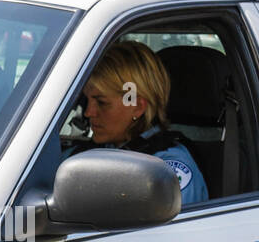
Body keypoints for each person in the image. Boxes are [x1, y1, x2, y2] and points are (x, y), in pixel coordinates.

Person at [71, 40, 208, 205]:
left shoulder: (165, 173)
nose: (88, 112)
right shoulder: (93, 152)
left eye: (101, 103)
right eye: (87, 101)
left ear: (136, 106)